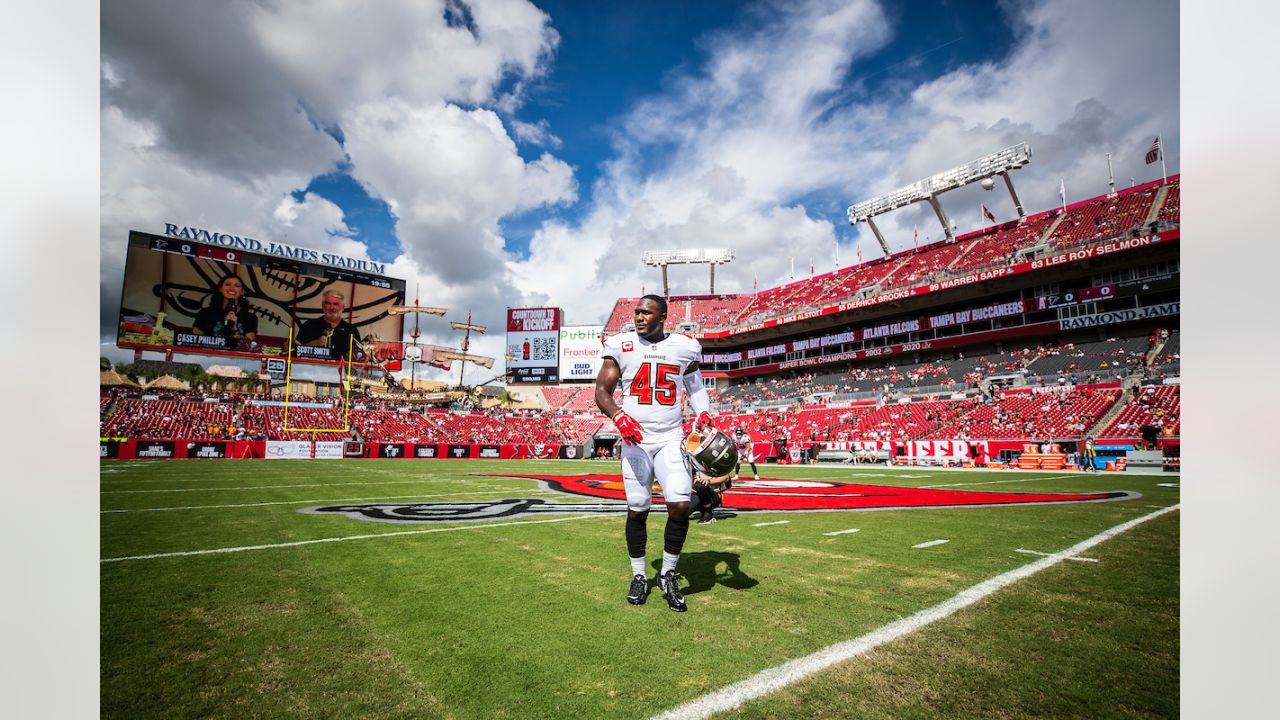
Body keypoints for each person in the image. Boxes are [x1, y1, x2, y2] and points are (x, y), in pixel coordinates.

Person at [595, 295, 714, 612]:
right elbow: (602, 392)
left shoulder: (685, 347)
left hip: (670, 438)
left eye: (646, 312)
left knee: (678, 504)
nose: (638, 317)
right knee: (638, 507)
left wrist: (702, 413)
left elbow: (696, 387)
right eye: (636, 312)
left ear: (663, 316)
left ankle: (668, 574)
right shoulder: (621, 344)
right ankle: (638, 576)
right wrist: (619, 418)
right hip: (635, 440)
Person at [191, 275, 257, 347]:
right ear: (220, 289)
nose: (232, 288)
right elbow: (194, 339)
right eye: (228, 284)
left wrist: (235, 328)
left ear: (242, 292)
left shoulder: (250, 317)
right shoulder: (205, 313)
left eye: (237, 286)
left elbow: (248, 344)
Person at [296, 290, 362, 358]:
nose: (331, 307)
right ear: (323, 306)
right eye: (328, 303)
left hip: (342, 368)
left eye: (336, 304)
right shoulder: (309, 325)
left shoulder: (351, 330)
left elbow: (359, 357)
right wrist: (315, 343)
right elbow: (294, 351)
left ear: (342, 307)